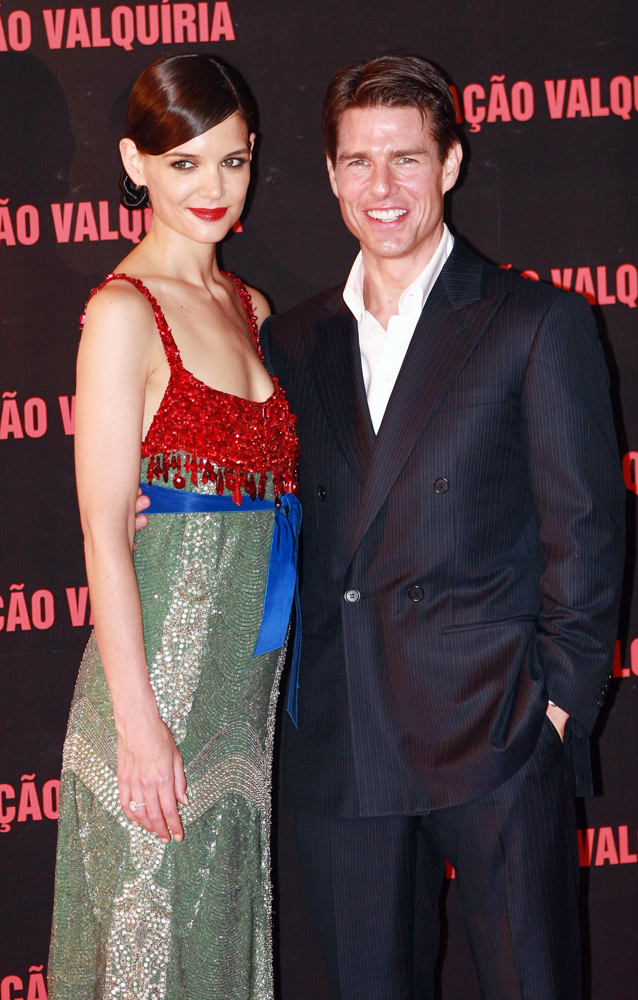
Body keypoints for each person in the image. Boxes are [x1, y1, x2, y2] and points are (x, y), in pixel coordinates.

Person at [133, 56, 625, 999]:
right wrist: (163, 513)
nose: (382, 188)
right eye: (358, 162)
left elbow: (588, 538)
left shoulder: (535, 322)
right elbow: (249, 486)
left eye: (405, 159)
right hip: (342, 744)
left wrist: (554, 714)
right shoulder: (290, 339)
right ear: (328, 173)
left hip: (494, 737)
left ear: (450, 164)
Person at [48, 54, 299, 1000]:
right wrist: (143, 728)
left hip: (242, 705)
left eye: (231, 162)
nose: (211, 187)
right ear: (134, 162)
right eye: (184, 163)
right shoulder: (123, 313)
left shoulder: (251, 307)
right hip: (151, 700)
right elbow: (104, 531)